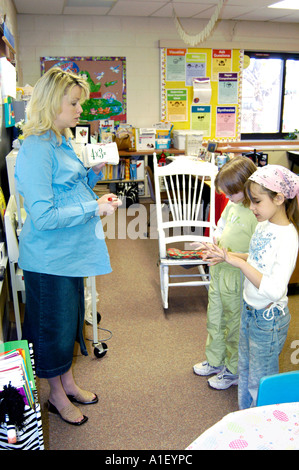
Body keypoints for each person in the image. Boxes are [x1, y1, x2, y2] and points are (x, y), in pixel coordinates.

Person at [15, 67, 121, 426]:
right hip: (49, 257)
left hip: (70, 251)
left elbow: (68, 186)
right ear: (50, 102)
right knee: (51, 330)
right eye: (74, 103)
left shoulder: (60, 139)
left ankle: (68, 381)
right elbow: (43, 216)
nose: (80, 110)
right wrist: (95, 207)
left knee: (68, 325)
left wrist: (93, 175)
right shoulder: (35, 148)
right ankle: (55, 395)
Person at [203, 164, 299, 408]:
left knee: (260, 381)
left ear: (279, 198)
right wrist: (228, 256)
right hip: (250, 311)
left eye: (256, 201)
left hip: (268, 320)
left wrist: (237, 262)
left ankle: (263, 423)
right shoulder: (265, 224)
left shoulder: (287, 237)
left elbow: (275, 289)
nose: (251, 206)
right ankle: (246, 417)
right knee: (245, 372)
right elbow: (256, 259)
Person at [193, 156, 258, 389]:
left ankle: (233, 370)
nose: (228, 199)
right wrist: (212, 244)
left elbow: (258, 255)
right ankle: (215, 360)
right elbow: (221, 227)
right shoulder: (232, 205)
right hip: (219, 268)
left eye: (232, 194)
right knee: (215, 318)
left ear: (246, 187)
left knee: (233, 324)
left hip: (236, 274)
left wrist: (228, 255)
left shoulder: (256, 213)